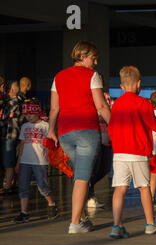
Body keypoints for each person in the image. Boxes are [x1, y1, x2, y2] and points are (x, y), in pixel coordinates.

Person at [107, 66, 156, 239]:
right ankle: (150, 224)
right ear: (139, 84)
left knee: (120, 189)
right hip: (138, 153)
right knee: (144, 188)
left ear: (122, 86)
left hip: (119, 154)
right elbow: (155, 125)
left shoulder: (117, 104)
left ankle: (116, 226)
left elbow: (111, 129)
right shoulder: (143, 104)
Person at [47, 41, 111, 234]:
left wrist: (51, 130)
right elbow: (101, 106)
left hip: (65, 133)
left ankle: (81, 217)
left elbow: (54, 108)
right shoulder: (92, 76)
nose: (96, 62)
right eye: (93, 57)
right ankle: (75, 223)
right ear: (82, 56)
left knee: (80, 175)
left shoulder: (58, 76)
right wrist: (116, 126)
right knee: (83, 177)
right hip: (87, 132)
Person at [13, 101, 58, 223]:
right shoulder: (25, 126)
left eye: (31, 113)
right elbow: (21, 145)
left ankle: (51, 204)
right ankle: (24, 212)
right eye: (27, 114)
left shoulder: (46, 126)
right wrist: (18, 162)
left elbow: (52, 144)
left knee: (42, 186)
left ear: (38, 113)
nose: (29, 116)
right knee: (23, 186)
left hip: (40, 161)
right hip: (25, 161)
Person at [86, 73, 113, 208]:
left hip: (107, 137)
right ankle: (89, 195)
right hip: (94, 136)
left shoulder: (107, 97)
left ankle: (87, 188)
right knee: (93, 168)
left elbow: (111, 113)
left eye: (101, 81)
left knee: (106, 167)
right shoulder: (89, 97)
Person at [0, 81, 25, 194]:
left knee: (8, 162)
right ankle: (12, 183)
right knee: (12, 160)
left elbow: (4, 119)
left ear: (11, 90)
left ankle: (7, 187)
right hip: (16, 135)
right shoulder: (20, 101)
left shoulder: (11, 103)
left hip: (9, 135)